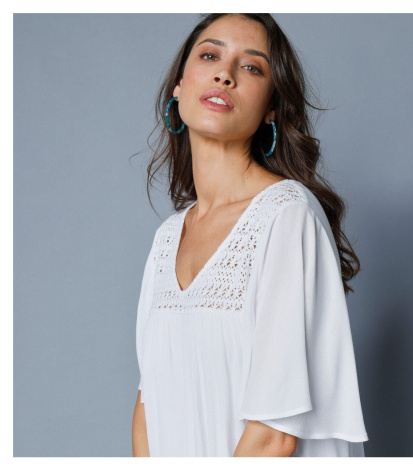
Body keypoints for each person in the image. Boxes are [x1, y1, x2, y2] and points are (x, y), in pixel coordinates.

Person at [132, 13, 369, 457]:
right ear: (179, 85)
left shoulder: (288, 217)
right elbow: (149, 408)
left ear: (271, 108)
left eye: (251, 67)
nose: (225, 74)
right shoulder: (167, 238)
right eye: (209, 56)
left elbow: (273, 437)